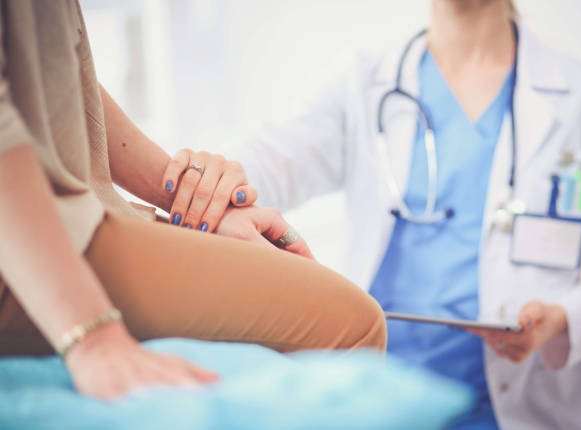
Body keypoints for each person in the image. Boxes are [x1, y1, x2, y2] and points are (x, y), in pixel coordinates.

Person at [179, 0, 581, 428]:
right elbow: (278, 154)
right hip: (385, 393)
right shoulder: (364, 81)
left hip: (530, 400)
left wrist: (563, 317)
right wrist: (223, 174)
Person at [0, 0, 386, 400]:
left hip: (69, 207)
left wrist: (196, 198)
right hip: (26, 225)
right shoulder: (365, 76)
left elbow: (50, 73)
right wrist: (92, 341)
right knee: (351, 325)